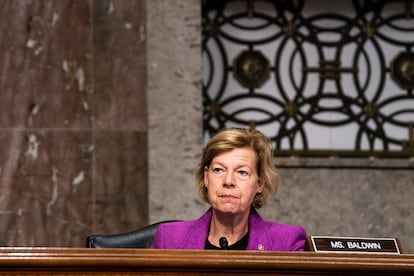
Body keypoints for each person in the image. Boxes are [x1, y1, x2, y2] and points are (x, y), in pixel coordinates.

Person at [151, 128, 307, 251]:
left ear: (259, 183)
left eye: (242, 172)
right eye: (219, 170)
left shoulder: (286, 242)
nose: (228, 181)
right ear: (206, 177)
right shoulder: (170, 239)